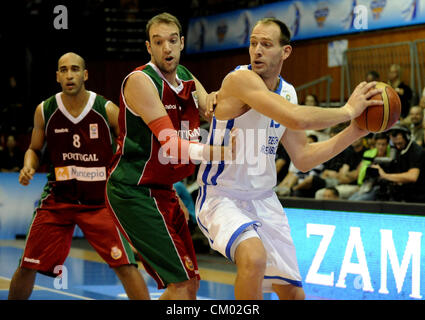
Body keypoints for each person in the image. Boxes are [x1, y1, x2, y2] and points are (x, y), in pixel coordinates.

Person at [195, 17, 382, 300]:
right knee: (254, 257)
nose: (257, 50)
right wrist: (347, 111)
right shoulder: (239, 80)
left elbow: (304, 158)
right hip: (222, 196)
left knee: (294, 295)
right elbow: (294, 118)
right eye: (253, 43)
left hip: (264, 199)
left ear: (286, 52)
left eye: (266, 44)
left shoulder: (288, 92)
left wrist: (355, 130)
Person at [105, 12, 235, 300]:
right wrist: (223, 153)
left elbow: (214, 109)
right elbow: (172, 146)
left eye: (172, 41)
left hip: (164, 190)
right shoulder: (141, 80)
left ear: (182, 43)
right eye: (158, 41)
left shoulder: (186, 77)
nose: (167, 48)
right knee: (183, 285)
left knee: (190, 285)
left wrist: (248, 96)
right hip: (133, 191)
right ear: (149, 47)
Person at [8, 52, 149, 300]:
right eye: (63, 70)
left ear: (85, 75)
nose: (69, 74)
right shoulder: (45, 110)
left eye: (74, 69)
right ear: (57, 76)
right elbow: (33, 148)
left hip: (100, 203)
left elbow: (132, 143)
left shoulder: (106, 109)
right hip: (58, 201)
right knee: (27, 264)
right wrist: (28, 166)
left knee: (125, 264)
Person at [371, 124, 425, 203]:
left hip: (417, 197)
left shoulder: (417, 151)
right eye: (394, 144)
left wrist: (384, 175)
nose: (398, 147)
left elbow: (412, 176)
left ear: (407, 137)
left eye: (400, 143)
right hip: (402, 193)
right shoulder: (397, 150)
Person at [348, 132, 391, 201]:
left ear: (387, 145)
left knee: (357, 201)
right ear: (375, 144)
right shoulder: (368, 154)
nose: (381, 147)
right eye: (378, 144)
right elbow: (362, 172)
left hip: (381, 187)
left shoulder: (392, 156)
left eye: (383, 144)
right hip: (366, 184)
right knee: (351, 200)